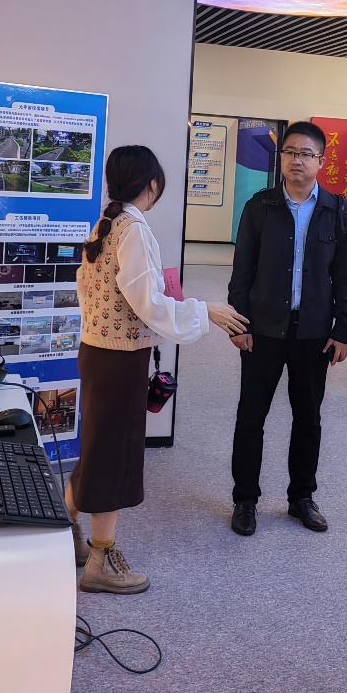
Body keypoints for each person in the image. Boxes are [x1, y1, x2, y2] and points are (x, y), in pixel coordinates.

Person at [69, 145, 248, 594]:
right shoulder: (132, 230)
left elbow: (96, 293)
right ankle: (101, 561)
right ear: (151, 184)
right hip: (118, 360)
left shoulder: (106, 224)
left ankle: (67, 525)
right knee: (112, 456)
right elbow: (147, 302)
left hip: (96, 351)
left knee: (97, 448)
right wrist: (204, 310)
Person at [228, 121, 347, 536]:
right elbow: (241, 272)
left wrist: (344, 329)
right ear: (281, 158)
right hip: (263, 329)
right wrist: (237, 323)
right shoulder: (259, 206)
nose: (296, 160)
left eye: (305, 154)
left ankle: (301, 497)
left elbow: (345, 276)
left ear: (321, 161)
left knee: (308, 418)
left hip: (313, 333)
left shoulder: (337, 211)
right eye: (289, 152)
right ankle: (245, 499)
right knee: (251, 416)